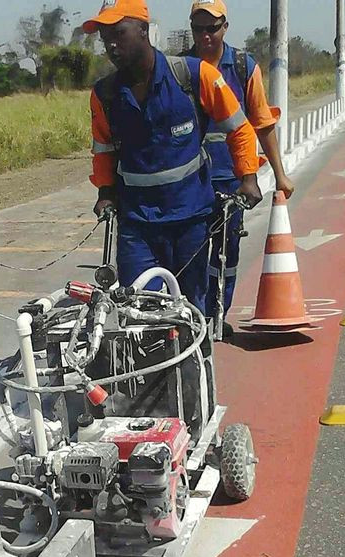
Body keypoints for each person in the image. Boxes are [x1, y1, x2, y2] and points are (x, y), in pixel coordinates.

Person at [85, 0, 262, 315]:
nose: (111, 44)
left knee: (191, 311)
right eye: (104, 36)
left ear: (144, 29)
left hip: (190, 219)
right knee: (139, 313)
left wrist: (248, 178)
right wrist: (105, 193)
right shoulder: (105, 95)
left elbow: (240, 128)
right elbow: (103, 149)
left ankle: (198, 360)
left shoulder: (193, 76)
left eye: (118, 32)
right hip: (137, 224)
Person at [184, 0, 295, 338]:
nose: (205, 36)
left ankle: (218, 314)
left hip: (232, 181)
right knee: (192, 253)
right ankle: (194, 318)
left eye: (212, 28)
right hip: (189, 182)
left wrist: (279, 173)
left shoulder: (244, 68)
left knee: (226, 253)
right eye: (198, 29)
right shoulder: (180, 69)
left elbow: (263, 125)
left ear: (225, 28)